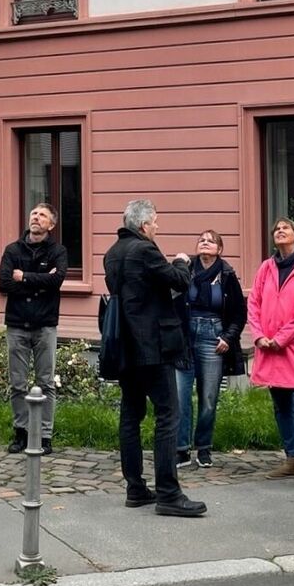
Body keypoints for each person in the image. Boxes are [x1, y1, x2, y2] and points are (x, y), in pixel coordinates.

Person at [104, 199, 206, 517]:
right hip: (153, 346)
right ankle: (168, 493)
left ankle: (135, 487)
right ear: (145, 225)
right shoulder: (144, 250)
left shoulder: (112, 253)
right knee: (168, 416)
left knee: (130, 417)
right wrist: (180, 262)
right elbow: (178, 281)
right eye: (156, 222)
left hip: (125, 348)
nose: (157, 227)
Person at [248, 217, 294, 479]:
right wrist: (258, 336)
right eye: (276, 229)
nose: (279, 231)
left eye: (285, 228)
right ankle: (292, 459)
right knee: (280, 406)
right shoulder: (266, 267)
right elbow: (254, 303)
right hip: (268, 347)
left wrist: (281, 338)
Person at [0, 202, 68, 456]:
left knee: (45, 382)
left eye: (42, 216)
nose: (36, 218)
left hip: (45, 324)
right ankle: (21, 432)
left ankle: (45, 435)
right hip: (17, 323)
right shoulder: (13, 250)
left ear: (51, 224)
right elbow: (4, 282)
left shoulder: (58, 251)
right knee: (17, 382)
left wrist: (24, 277)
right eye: (33, 214)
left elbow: (57, 280)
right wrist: (40, 281)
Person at [175, 229, 247, 468]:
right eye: (201, 240)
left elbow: (239, 312)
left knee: (208, 398)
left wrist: (228, 337)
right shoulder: (186, 269)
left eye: (210, 241)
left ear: (220, 249)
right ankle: (181, 449)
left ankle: (203, 448)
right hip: (185, 338)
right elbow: (170, 298)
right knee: (180, 396)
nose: (204, 243)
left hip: (212, 337)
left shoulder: (226, 275)